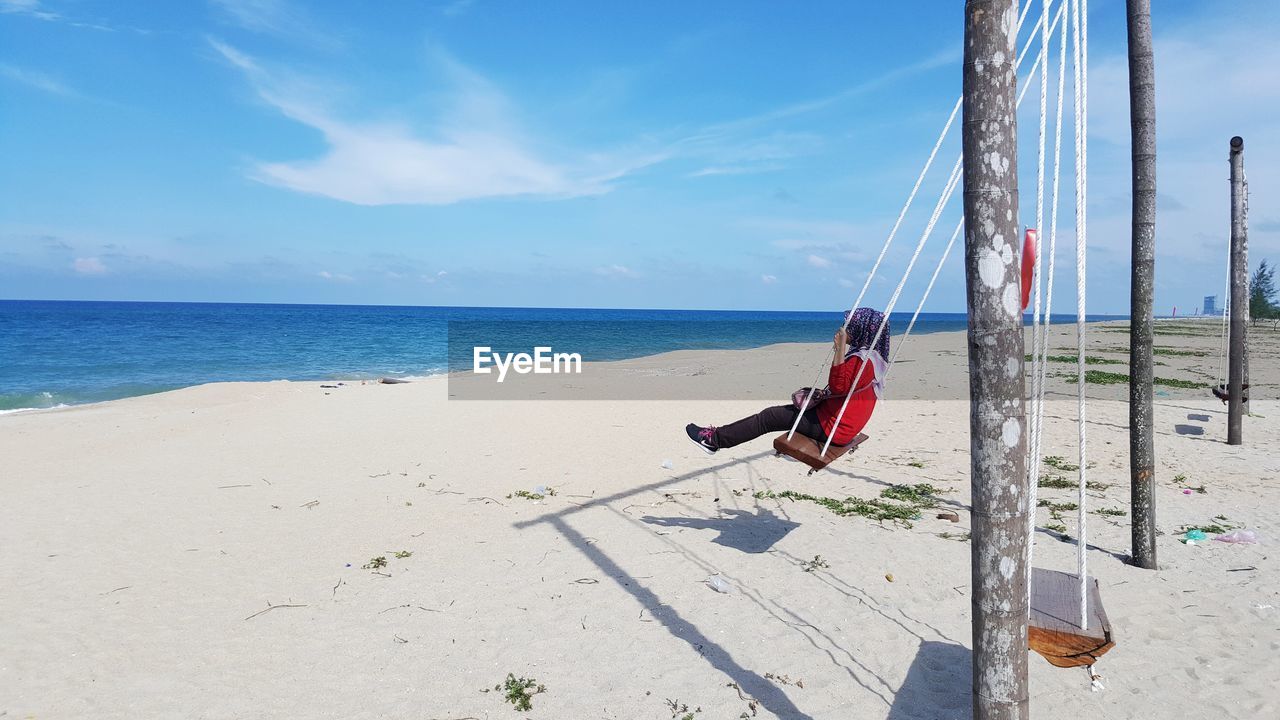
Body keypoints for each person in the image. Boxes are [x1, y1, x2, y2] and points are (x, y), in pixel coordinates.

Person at [685, 308, 888, 454]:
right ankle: (717, 437)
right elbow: (847, 388)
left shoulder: (861, 361)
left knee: (768, 417)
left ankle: (714, 440)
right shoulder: (873, 357)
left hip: (834, 428)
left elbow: (839, 385)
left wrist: (840, 349)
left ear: (862, 330)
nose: (843, 328)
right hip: (843, 422)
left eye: (849, 325)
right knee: (786, 410)